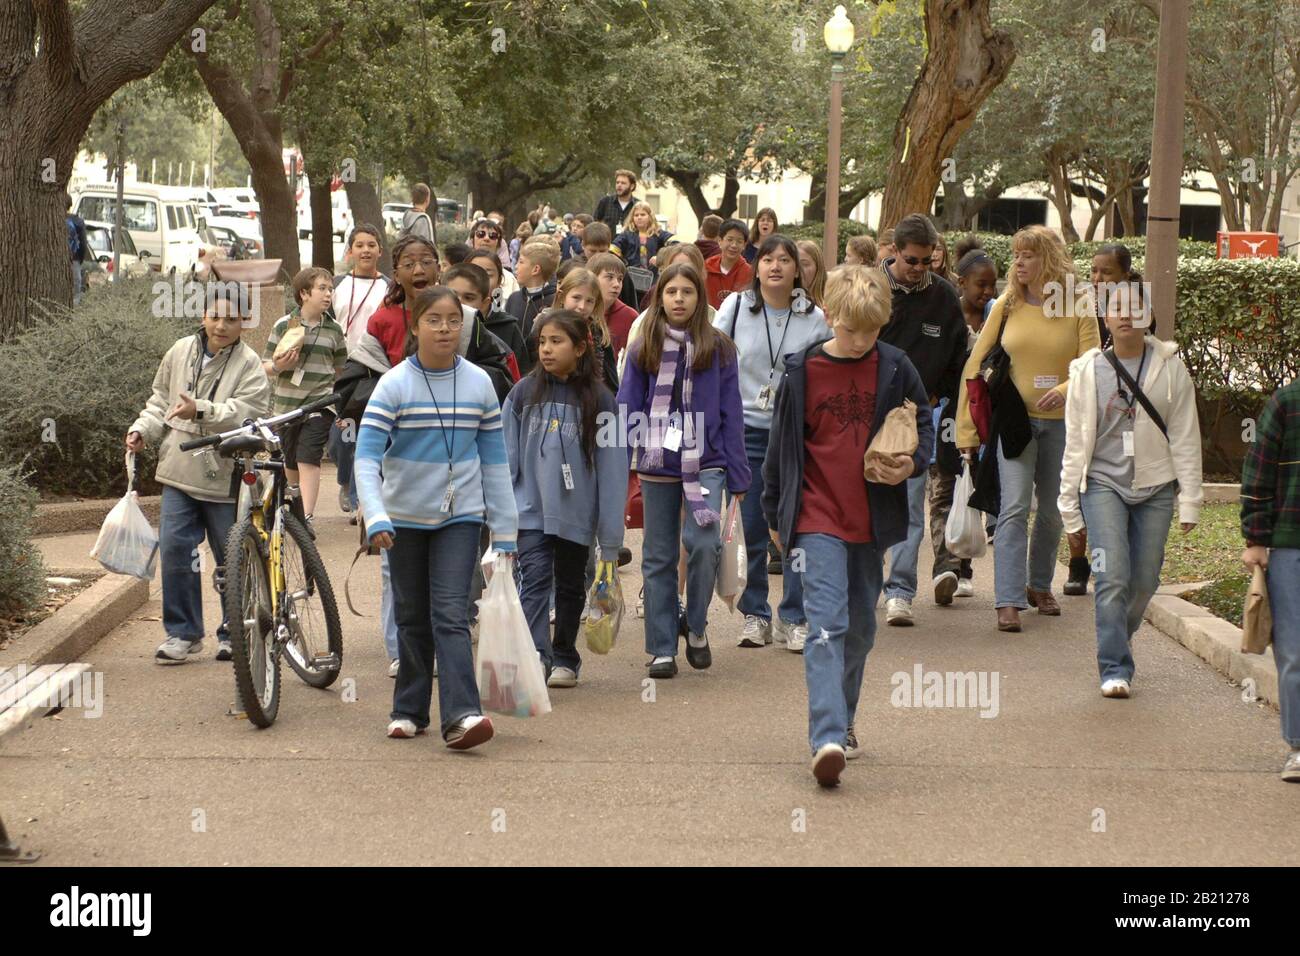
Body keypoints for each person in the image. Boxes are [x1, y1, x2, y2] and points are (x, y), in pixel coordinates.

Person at [763, 264, 932, 787]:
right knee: (826, 626)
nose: (860, 341)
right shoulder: (801, 370)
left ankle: (846, 718)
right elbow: (779, 449)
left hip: (872, 519)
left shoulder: (897, 366)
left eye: (872, 331)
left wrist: (914, 461)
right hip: (817, 518)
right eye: (850, 328)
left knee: (859, 630)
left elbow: (924, 422)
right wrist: (774, 515)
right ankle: (827, 736)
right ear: (829, 315)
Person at [354, 286, 517, 749]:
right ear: (415, 326)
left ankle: (463, 716)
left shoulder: (480, 383)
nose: (445, 328)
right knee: (411, 616)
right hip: (401, 520)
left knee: (450, 613)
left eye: (453, 320)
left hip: (459, 517)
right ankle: (408, 709)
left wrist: (505, 532)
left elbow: (495, 463)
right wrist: (376, 514)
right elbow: (367, 459)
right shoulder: (394, 384)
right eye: (434, 320)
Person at [1059, 280, 1202, 699]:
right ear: (1106, 317)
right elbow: (1075, 443)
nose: (1125, 315)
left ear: (1147, 316)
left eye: (1134, 307)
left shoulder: (1171, 369)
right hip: (1103, 485)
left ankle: (1117, 632)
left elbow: (1186, 436)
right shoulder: (1087, 371)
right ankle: (1114, 665)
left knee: (1143, 580)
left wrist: (1190, 499)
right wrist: (1069, 505)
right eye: (1117, 307)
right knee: (1110, 574)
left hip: (1156, 487)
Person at [957, 225, 1101, 633]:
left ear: (1050, 260)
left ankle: (1039, 585)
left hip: (1064, 425)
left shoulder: (1078, 304)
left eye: (1028, 255)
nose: (1018, 263)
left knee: (1054, 510)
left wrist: (1064, 388)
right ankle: (1007, 600)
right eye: (1016, 255)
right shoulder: (1007, 304)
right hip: (1014, 423)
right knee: (1015, 507)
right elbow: (974, 366)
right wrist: (966, 432)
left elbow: (1092, 364)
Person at [126, 287, 272, 664]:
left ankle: (235, 629)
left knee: (231, 557)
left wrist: (202, 411)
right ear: (203, 315)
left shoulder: (250, 363)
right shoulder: (180, 351)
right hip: (178, 468)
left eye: (232, 319)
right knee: (176, 551)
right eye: (215, 316)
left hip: (225, 474)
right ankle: (183, 633)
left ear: (244, 323)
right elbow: (160, 400)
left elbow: (249, 410)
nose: (222, 326)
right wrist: (144, 429)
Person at [617, 262, 749, 678]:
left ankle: (695, 624)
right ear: (660, 297)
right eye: (671, 291)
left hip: (707, 461)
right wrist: (621, 464)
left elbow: (732, 412)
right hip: (658, 463)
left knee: (704, 543)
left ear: (700, 298)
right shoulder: (644, 346)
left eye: (687, 292)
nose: (678, 299)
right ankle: (661, 649)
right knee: (656, 557)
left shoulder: (720, 347)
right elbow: (627, 407)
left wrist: (739, 473)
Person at [714, 234, 829, 652]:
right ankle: (755, 615)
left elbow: (823, 375)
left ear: (798, 269)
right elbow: (713, 360)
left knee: (794, 526)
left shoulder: (814, 317)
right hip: (743, 431)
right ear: (756, 267)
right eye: (767, 259)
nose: (776, 266)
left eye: (785, 260)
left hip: (795, 436)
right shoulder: (735, 307)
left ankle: (795, 617)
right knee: (750, 528)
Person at [503, 310, 626, 688]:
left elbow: (612, 469)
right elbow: (505, 456)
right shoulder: (522, 392)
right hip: (530, 511)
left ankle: (565, 657)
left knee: (571, 584)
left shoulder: (602, 401)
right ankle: (536, 655)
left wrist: (609, 539)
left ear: (581, 347)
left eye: (557, 342)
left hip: (577, 514)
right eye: (542, 341)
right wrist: (500, 513)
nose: (546, 349)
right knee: (536, 579)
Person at [875, 214, 968, 625]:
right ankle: (862, 583)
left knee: (911, 504)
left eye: (927, 261)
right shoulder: (870, 287)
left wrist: (936, 396)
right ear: (894, 251)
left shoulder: (944, 297)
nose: (919, 270)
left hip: (916, 414)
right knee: (863, 503)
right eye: (912, 260)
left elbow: (956, 355)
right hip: (866, 410)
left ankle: (900, 590)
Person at [1241, 377, 1300, 781]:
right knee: (1294, 652)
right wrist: (1256, 538)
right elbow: (1258, 472)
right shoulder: (1287, 401)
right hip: (1289, 545)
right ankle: (1298, 746)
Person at [262, 267, 349, 524]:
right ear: (304, 293)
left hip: (319, 405)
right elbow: (265, 366)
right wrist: (280, 366)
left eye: (330, 289)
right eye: (322, 288)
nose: (328, 294)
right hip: (286, 407)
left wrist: (338, 406)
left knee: (308, 455)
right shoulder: (284, 325)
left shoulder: (334, 330)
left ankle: (306, 517)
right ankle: (295, 500)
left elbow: (340, 369)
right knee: (290, 458)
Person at [941, 237, 999, 597]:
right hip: (951, 412)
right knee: (947, 485)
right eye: (982, 284)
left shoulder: (997, 315)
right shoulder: (949, 317)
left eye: (993, 284)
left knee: (976, 485)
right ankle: (949, 561)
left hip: (985, 415)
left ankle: (965, 566)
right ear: (961, 283)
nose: (988, 291)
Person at [331, 224, 392, 518]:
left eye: (371, 244)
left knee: (366, 434)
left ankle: (359, 500)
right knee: (342, 439)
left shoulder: (390, 288)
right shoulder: (337, 284)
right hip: (344, 371)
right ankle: (345, 480)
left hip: (376, 371)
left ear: (380, 250)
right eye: (359, 245)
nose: (366, 250)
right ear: (350, 251)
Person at [444, 261, 528, 378]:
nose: (459, 303)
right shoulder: (423, 339)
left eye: (468, 298)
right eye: (452, 295)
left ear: (484, 303)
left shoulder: (499, 352)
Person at [506, 237, 560, 341]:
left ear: (536, 269)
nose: (516, 266)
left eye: (521, 262)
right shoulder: (514, 298)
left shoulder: (554, 301)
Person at [588, 251, 639, 356]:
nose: (616, 284)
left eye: (620, 279)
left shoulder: (630, 317)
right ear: (592, 278)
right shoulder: (580, 310)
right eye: (609, 277)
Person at [614, 202, 674, 279]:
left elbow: (676, 245)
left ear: (650, 217)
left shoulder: (658, 234)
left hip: (654, 279)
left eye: (643, 214)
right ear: (632, 218)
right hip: (631, 279)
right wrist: (623, 265)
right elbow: (612, 251)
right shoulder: (626, 235)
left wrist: (660, 258)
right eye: (636, 215)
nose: (639, 217)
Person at [705, 218, 754, 311]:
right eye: (730, 239)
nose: (734, 245)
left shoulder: (750, 273)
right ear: (720, 241)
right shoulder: (705, 269)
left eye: (739, 241)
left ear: (744, 245)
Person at [470, 217, 518, 300]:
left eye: (493, 236)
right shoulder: (460, 272)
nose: (486, 238)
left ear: (498, 244)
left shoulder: (509, 279)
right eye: (481, 234)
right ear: (472, 240)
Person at [65, 192, 92, 307]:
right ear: (70, 205)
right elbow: (83, 243)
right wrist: (79, 260)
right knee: (75, 293)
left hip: (52, 262)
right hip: (74, 260)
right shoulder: (77, 221)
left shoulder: (48, 219)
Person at [594, 169, 640, 234]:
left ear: (632, 186)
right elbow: (595, 225)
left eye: (623, 183)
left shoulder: (638, 205)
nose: (619, 185)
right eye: (617, 182)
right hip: (608, 243)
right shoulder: (605, 202)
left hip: (630, 244)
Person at [796, 239, 827, 309]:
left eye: (804, 264)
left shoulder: (832, 303)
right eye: (795, 264)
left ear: (818, 267)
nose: (798, 270)